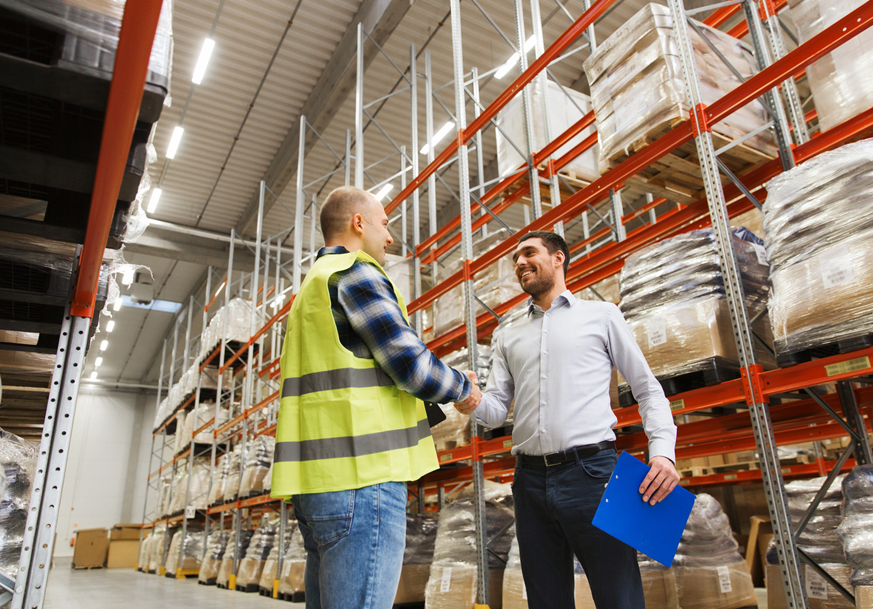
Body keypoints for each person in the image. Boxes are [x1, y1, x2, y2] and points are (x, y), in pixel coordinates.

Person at [272, 186, 481, 609]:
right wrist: (463, 388)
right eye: (385, 224)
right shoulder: (356, 273)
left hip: (318, 487)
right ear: (358, 222)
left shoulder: (310, 290)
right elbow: (410, 364)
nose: (390, 238)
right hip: (363, 481)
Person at [455, 230, 679, 609]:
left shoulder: (602, 315)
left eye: (528, 253)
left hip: (593, 473)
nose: (519, 263)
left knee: (618, 597)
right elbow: (495, 412)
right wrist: (469, 399)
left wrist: (663, 453)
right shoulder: (507, 334)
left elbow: (647, 389)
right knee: (546, 600)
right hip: (528, 482)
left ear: (558, 258)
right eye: (515, 259)